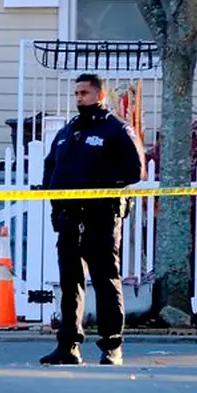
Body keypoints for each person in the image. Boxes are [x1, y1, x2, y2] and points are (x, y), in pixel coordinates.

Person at [38, 73, 146, 367]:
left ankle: (112, 346)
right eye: (76, 93)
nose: (79, 98)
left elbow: (136, 170)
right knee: (70, 283)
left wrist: (100, 183)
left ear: (100, 95)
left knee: (105, 281)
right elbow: (51, 169)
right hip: (70, 218)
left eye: (84, 93)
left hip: (101, 216)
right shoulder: (68, 132)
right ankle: (68, 346)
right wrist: (55, 205)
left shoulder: (116, 130)